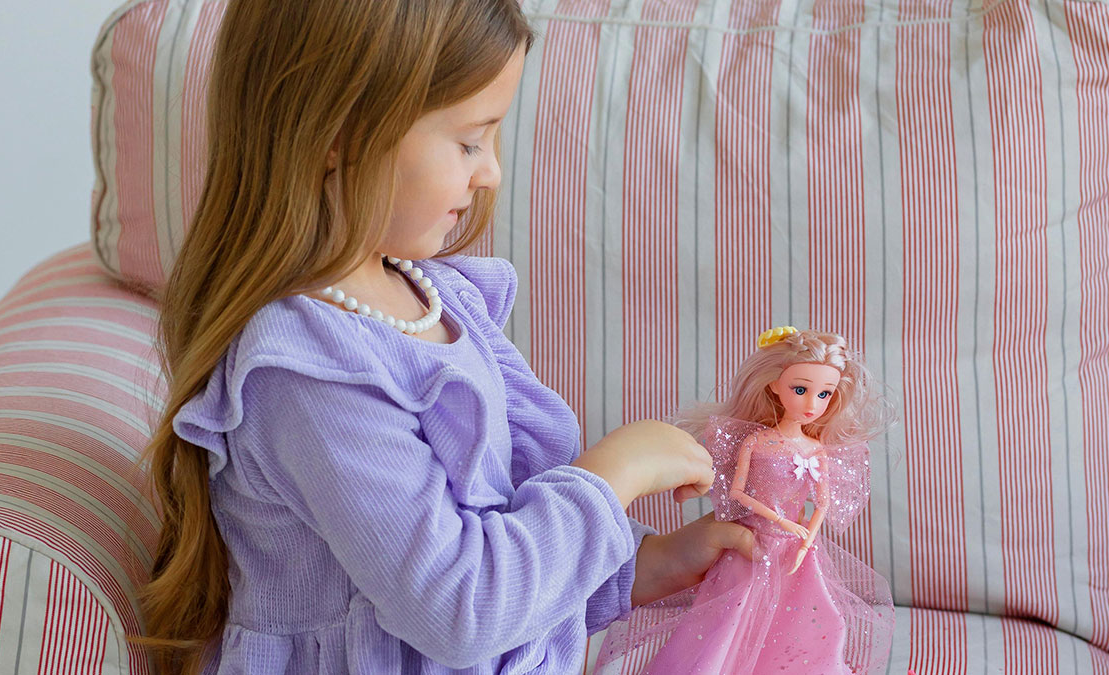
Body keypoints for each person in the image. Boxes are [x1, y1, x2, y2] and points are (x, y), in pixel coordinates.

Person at [130, 2, 753, 673]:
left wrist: (646, 564)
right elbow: (460, 604)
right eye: (468, 141)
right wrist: (616, 471)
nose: (491, 172)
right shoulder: (306, 367)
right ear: (337, 132)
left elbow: (498, 526)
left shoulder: (439, 296)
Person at [594, 327, 897, 674]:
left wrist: (807, 538)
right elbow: (737, 492)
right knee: (732, 616)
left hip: (798, 549)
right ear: (773, 385)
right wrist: (779, 519)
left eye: (824, 394)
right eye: (801, 389)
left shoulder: (816, 449)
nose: (812, 404)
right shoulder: (756, 443)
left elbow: (823, 503)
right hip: (754, 540)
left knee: (812, 616)